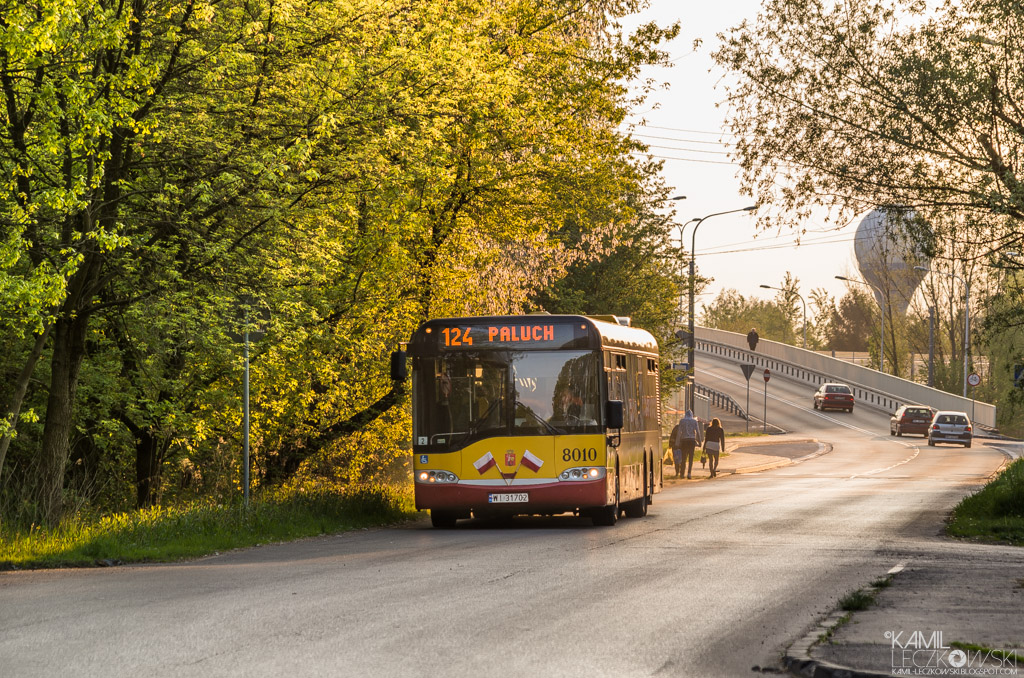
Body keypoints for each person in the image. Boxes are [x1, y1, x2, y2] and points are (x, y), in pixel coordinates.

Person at [674, 409, 703, 479]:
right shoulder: (694, 421)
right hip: (691, 441)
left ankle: (682, 473)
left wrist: (677, 442)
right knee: (691, 458)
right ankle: (689, 473)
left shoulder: (682, 421)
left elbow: (679, 432)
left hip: (684, 440)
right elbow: (698, 432)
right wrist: (700, 442)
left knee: (684, 458)